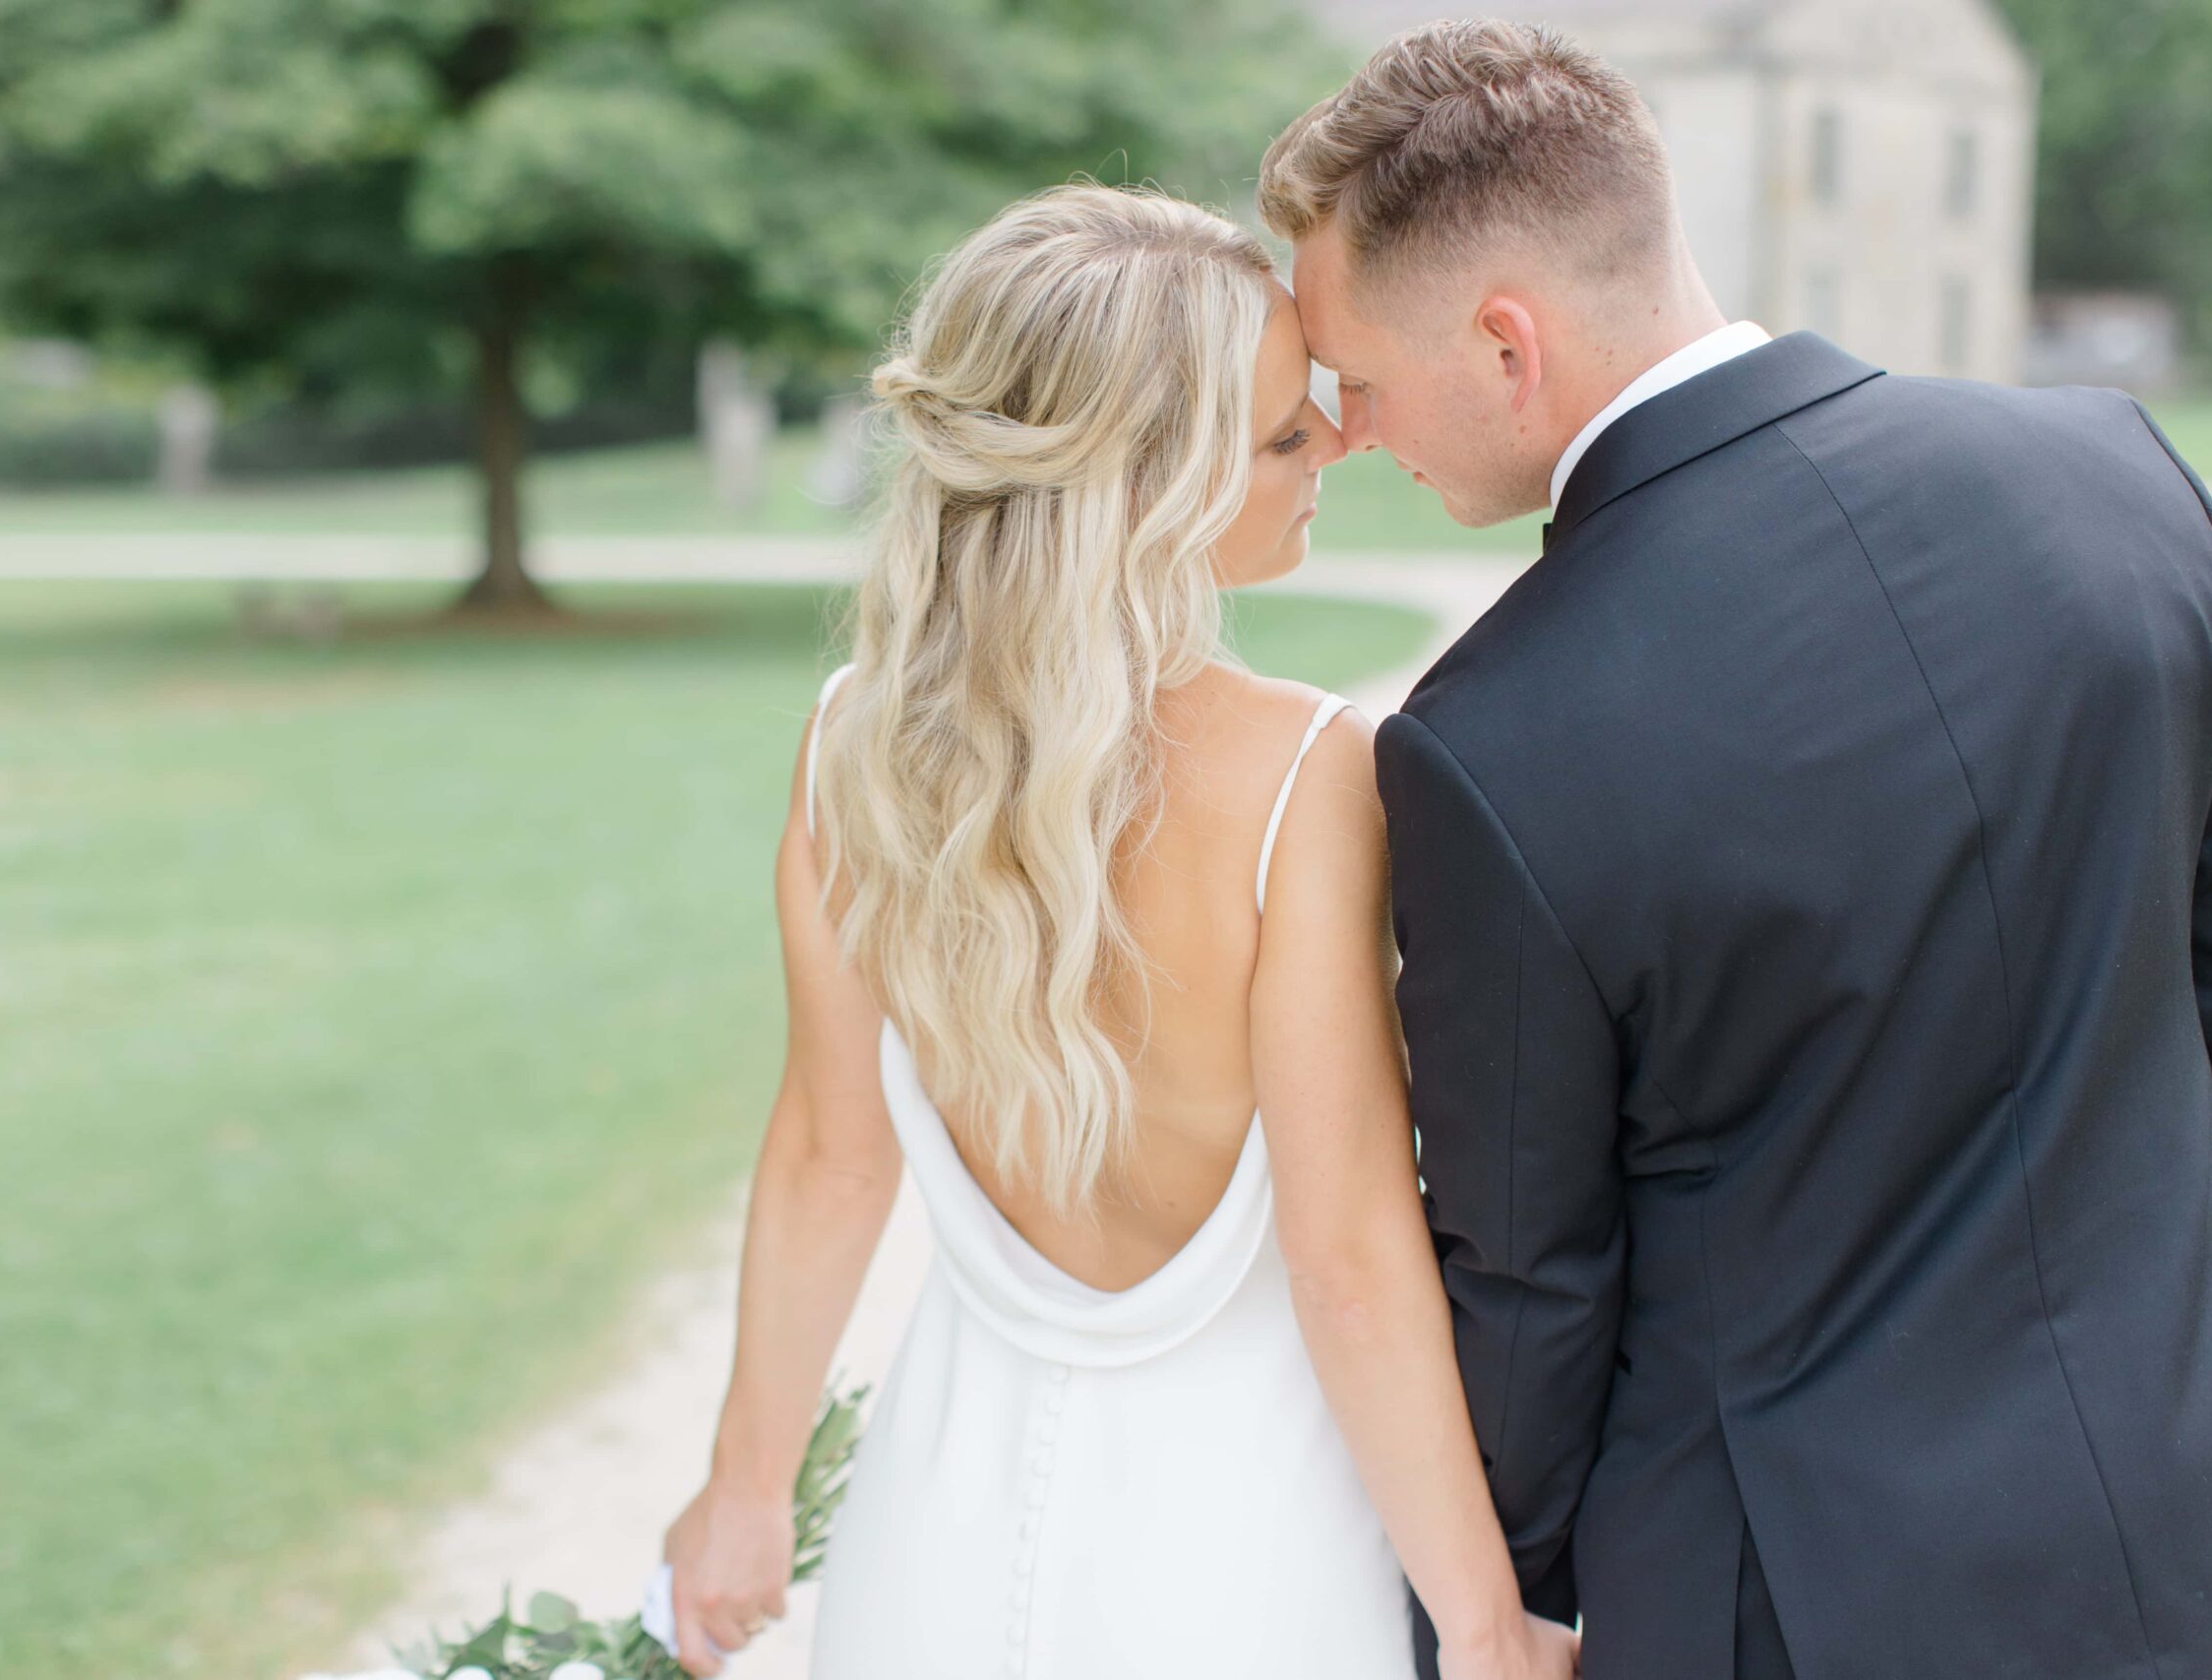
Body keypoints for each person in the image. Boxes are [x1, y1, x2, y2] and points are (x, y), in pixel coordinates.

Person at [1260, 19, 2212, 1680]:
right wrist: (2184, 1353)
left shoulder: (1491, 741)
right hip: (2193, 1531)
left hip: (1796, 1616)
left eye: (1363, 381)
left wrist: (1495, 1613)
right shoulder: (2119, 475)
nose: (1359, 430)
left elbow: (1534, 1276)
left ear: (1508, 342)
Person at [658, 183, 1576, 1680]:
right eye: (1286, 433)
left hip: (928, 1558)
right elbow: (1346, 1256)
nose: (1338, 442)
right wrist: (1485, 1629)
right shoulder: (1304, 777)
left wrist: (744, 1490)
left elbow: (831, 1156)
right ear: (1147, 484)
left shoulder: (852, 747)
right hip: (1246, 1563)